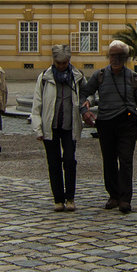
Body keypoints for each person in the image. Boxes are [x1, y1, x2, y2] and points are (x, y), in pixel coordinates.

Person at [79, 40, 137, 212]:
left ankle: (125, 199)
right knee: (109, 161)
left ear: (124, 58)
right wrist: (84, 109)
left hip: (127, 122)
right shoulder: (99, 75)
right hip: (106, 123)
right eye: (112, 55)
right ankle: (113, 195)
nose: (114, 59)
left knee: (125, 160)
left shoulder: (133, 77)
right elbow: (84, 93)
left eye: (118, 56)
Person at [28, 45, 86, 211]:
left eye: (65, 62)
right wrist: (37, 128)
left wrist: (86, 105)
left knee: (69, 160)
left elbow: (85, 96)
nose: (62, 65)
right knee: (53, 163)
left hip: (69, 126)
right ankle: (58, 199)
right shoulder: (45, 77)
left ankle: (70, 198)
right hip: (50, 127)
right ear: (54, 61)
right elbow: (37, 104)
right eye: (59, 63)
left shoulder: (77, 76)